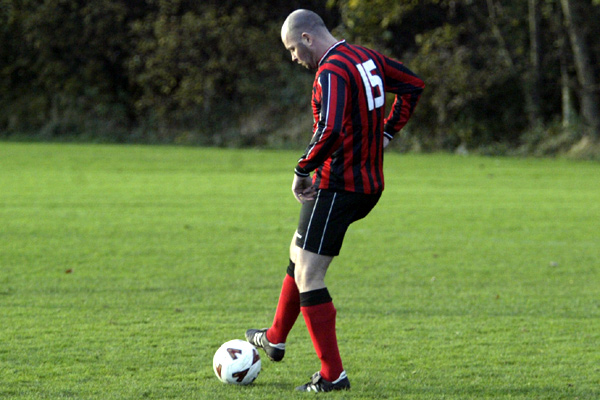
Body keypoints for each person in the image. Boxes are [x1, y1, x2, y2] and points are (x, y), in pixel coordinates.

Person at [246, 9, 424, 392]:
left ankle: (332, 375)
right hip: (366, 183)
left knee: (309, 274)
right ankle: (275, 338)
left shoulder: (332, 71)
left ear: (307, 38)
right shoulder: (365, 57)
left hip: (339, 185)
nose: (294, 58)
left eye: (293, 49)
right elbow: (413, 84)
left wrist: (302, 169)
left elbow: (330, 129)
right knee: (298, 251)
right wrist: (387, 132)